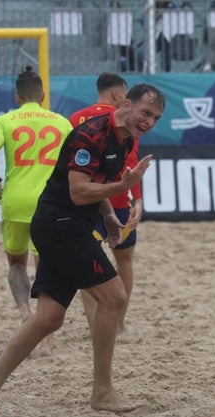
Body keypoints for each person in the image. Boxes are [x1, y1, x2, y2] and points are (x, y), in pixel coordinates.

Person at [0, 83, 165, 417]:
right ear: (127, 103)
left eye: (156, 118)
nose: (149, 121)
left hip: (66, 223)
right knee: (114, 297)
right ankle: (102, 390)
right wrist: (121, 188)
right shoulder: (91, 134)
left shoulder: (127, 138)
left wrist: (108, 215)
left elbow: (97, 183)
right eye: (146, 112)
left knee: (49, 318)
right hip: (60, 224)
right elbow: (77, 191)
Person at [0, 65, 72, 357]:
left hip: (15, 201)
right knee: (46, 267)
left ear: (17, 96)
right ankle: (47, 340)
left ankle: (24, 314)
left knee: (16, 264)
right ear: (43, 95)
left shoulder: (4, 120)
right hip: (49, 202)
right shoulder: (62, 123)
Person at [69, 72, 142, 335]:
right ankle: (119, 324)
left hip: (86, 200)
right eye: (126, 93)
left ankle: (94, 324)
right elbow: (132, 167)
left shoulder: (76, 118)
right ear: (116, 94)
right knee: (125, 260)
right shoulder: (126, 122)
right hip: (119, 199)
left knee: (88, 263)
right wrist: (138, 200)